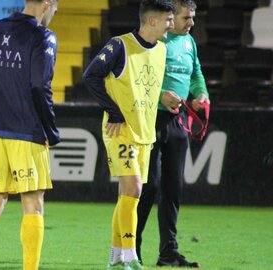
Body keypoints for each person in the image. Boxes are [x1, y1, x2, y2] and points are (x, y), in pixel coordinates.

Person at [0, 1, 59, 269]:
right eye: (56, 6)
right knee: (33, 203)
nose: (56, 12)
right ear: (46, 5)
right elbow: (40, 86)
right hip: (27, 130)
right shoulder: (43, 36)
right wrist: (50, 131)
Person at [83, 0, 174, 269]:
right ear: (153, 21)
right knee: (134, 188)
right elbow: (91, 76)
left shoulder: (162, 50)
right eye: (168, 20)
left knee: (127, 192)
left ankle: (115, 254)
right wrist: (114, 111)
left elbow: (144, 86)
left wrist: (162, 96)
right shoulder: (119, 45)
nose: (172, 24)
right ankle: (130, 256)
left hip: (145, 131)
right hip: (120, 129)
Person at [136, 0, 208, 267]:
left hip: (178, 122)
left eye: (192, 17)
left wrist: (201, 94)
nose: (191, 23)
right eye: (186, 18)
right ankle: (133, 250)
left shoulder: (190, 43)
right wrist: (159, 97)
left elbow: (196, 74)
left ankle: (168, 252)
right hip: (150, 119)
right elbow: (136, 80)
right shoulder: (155, 41)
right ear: (170, 18)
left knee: (172, 188)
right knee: (148, 186)